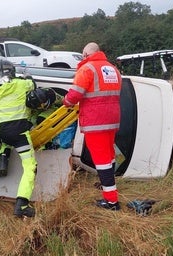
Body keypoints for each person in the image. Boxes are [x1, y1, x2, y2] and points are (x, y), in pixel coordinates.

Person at [62, 42, 122, 210]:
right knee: (109, 154)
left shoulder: (87, 69)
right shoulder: (112, 69)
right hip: (112, 119)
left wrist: (65, 101)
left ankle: (111, 201)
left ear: (85, 54)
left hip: (96, 121)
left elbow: (74, 95)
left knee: (101, 160)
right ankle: (107, 184)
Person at [0, 60, 37, 218]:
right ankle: (22, 204)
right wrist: (28, 76)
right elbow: (32, 85)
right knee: (30, 166)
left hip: (5, 131)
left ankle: (3, 159)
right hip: (20, 131)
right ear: (11, 71)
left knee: (7, 144)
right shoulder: (21, 84)